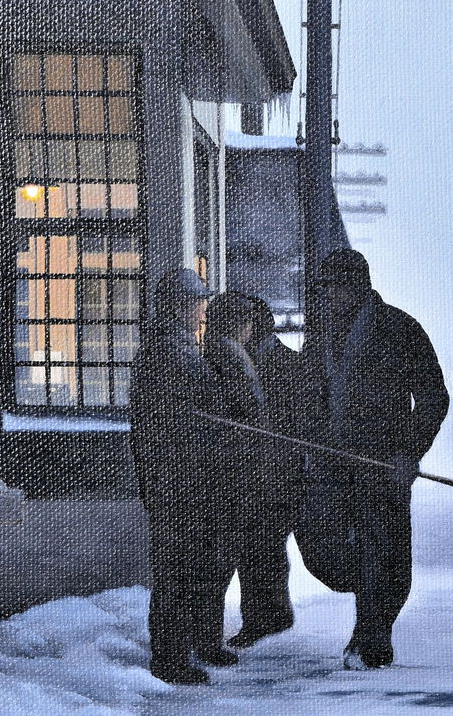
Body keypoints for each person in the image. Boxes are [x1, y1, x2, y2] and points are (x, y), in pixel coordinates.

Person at [299, 248, 450, 670]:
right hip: (330, 467)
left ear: (355, 287)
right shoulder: (320, 337)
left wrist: (409, 452)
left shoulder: (401, 330)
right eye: (323, 289)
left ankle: (372, 639)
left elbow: (435, 398)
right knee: (321, 551)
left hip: (384, 466)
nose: (325, 297)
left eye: (332, 289)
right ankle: (371, 610)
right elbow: (308, 399)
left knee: (383, 554)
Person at [127, 267, 236, 685]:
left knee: (198, 564)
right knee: (178, 571)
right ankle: (171, 659)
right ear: (179, 307)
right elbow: (201, 412)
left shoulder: (172, 348)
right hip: (178, 483)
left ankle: (200, 644)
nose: (203, 310)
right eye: (198, 302)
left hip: (182, 480)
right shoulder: (171, 353)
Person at [200, 292, 318, 649]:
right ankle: (269, 616)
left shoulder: (282, 366)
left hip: (276, 475)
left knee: (260, 546)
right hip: (254, 473)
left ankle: (266, 619)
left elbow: (299, 425)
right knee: (258, 547)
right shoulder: (241, 360)